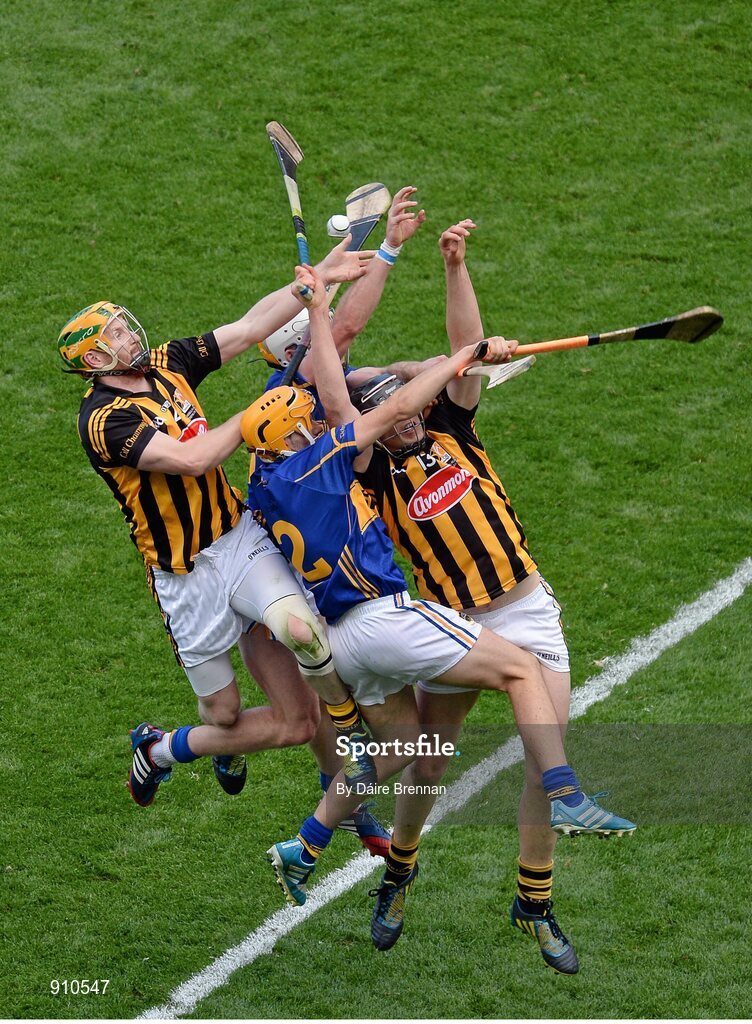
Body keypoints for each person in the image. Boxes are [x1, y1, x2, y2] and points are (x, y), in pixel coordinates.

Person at [243, 262, 634, 954]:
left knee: (545, 759)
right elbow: (353, 399)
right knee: (426, 759)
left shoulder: (456, 426)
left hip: (526, 610)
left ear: (427, 406)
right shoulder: (370, 474)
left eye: (404, 408)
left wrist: (455, 269)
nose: (396, 424)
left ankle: (534, 900)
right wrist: (437, 360)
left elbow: (461, 347)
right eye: (384, 419)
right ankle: (398, 870)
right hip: (450, 621)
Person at [56, 241, 387, 850]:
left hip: (239, 542)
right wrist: (253, 416)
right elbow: (190, 458)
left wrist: (317, 280)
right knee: (225, 717)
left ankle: (347, 777)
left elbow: (245, 330)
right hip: (185, 577)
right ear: (95, 360)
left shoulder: (164, 364)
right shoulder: (103, 421)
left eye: (126, 327)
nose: (132, 336)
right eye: (117, 336)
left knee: (303, 664)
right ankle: (159, 748)